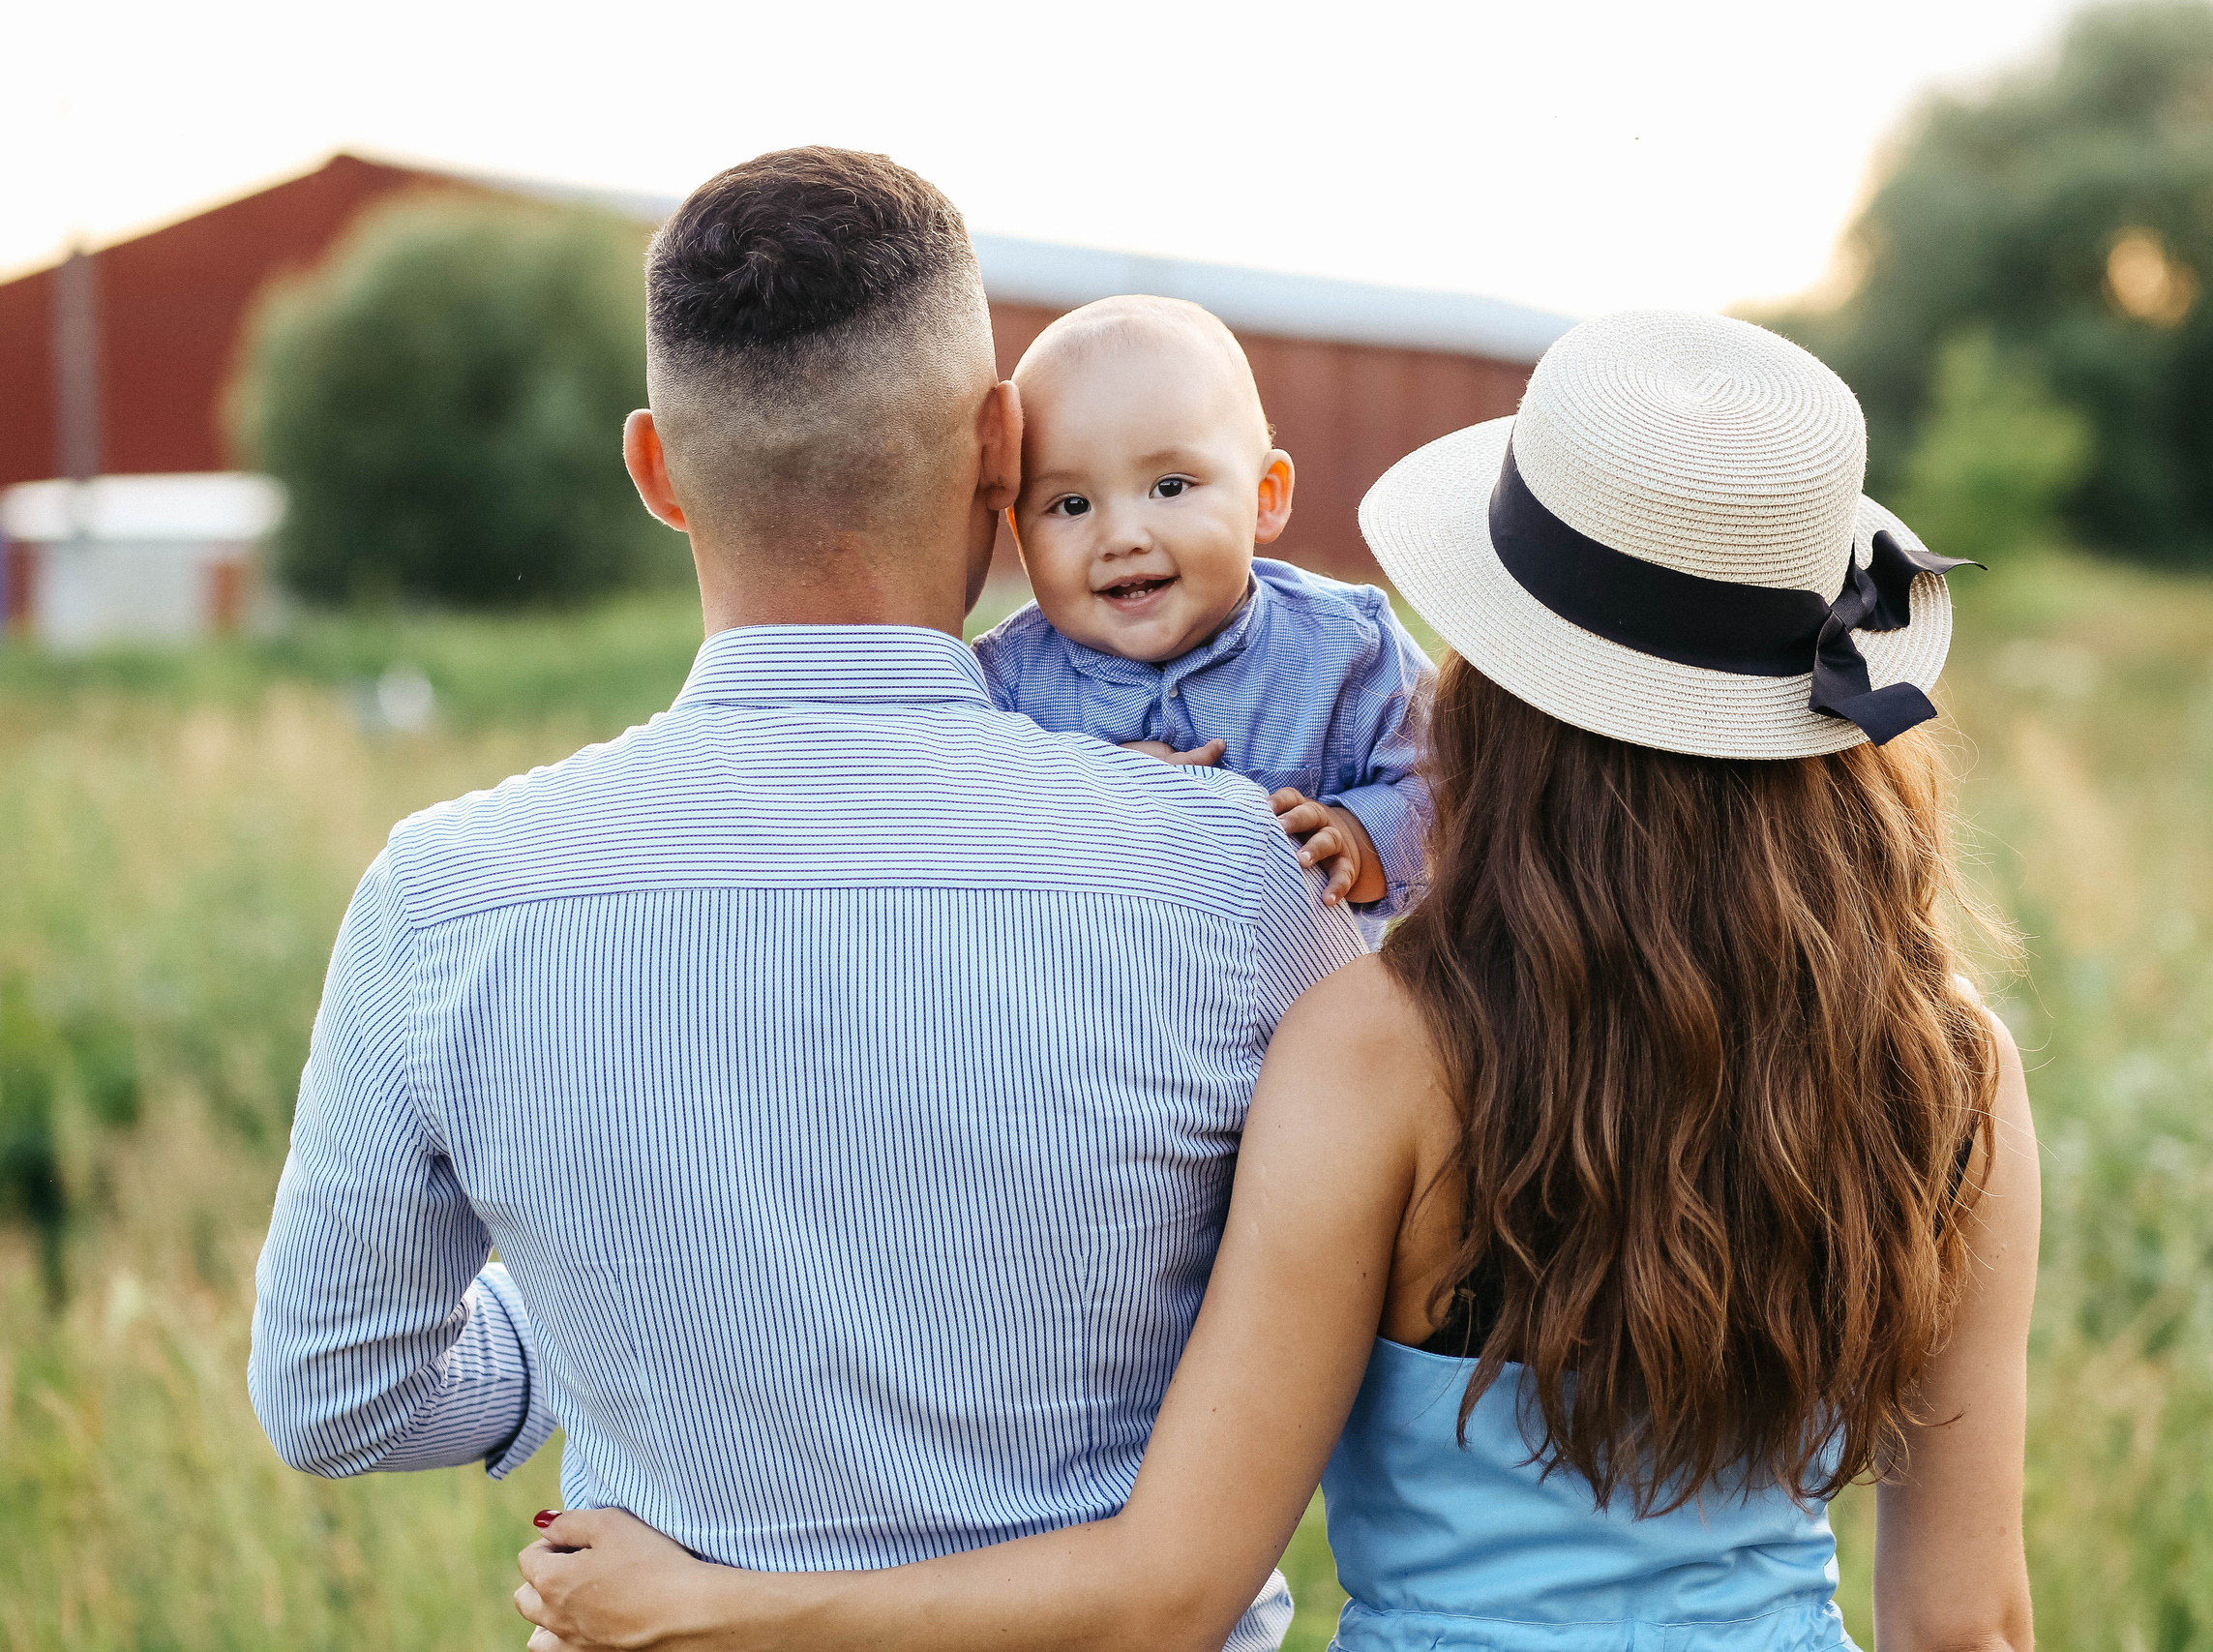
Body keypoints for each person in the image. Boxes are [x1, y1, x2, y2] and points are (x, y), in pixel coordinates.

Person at [514, 311, 2041, 1652]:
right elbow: (1966, 1623)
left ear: (1494, 678)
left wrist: (706, 1608)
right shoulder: (1950, 1060)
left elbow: (1167, 1591)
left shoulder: (1391, 1047)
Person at [246, 146, 1364, 1652]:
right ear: (998, 445)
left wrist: (591, 1315)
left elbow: (332, 1395)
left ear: (655, 470)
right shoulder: (1239, 876)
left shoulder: (444, 903)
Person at [972, 295, 1434, 940]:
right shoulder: (1003, 684)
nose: (1122, 536)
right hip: (1084, 993)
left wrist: (1359, 837)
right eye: (1071, 504)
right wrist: (1083, 795)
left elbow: (1454, 792)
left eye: (1170, 487)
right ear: (1018, 531)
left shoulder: (1350, 650)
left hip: (1298, 997)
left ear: (1265, 497)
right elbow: (960, 833)